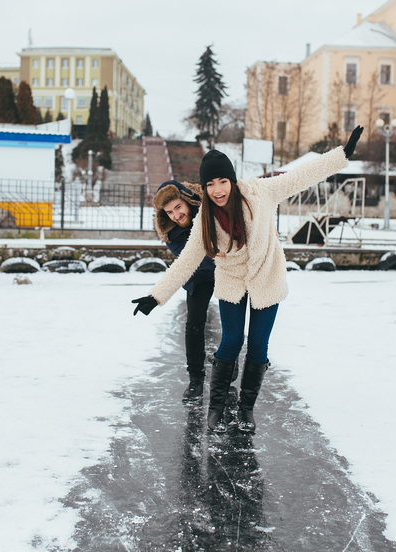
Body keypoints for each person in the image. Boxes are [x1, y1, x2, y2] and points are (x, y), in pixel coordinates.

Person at [133, 126, 363, 433]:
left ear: (232, 180)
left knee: (258, 346)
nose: (217, 190)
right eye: (210, 184)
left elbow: (300, 176)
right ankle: (215, 409)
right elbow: (185, 262)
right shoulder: (205, 219)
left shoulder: (260, 192)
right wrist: (156, 296)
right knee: (231, 341)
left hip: (267, 276)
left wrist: (341, 156)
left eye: (223, 181)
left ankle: (245, 410)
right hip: (231, 281)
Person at [152, 180, 222, 402]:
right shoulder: (171, 232)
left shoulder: (211, 211)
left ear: (188, 201)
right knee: (194, 324)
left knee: (233, 320)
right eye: (170, 212)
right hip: (198, 275)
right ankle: (195, 379)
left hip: (226, 271)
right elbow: (191, 261)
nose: (175, 215)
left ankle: (227, 363)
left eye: (178, 208)